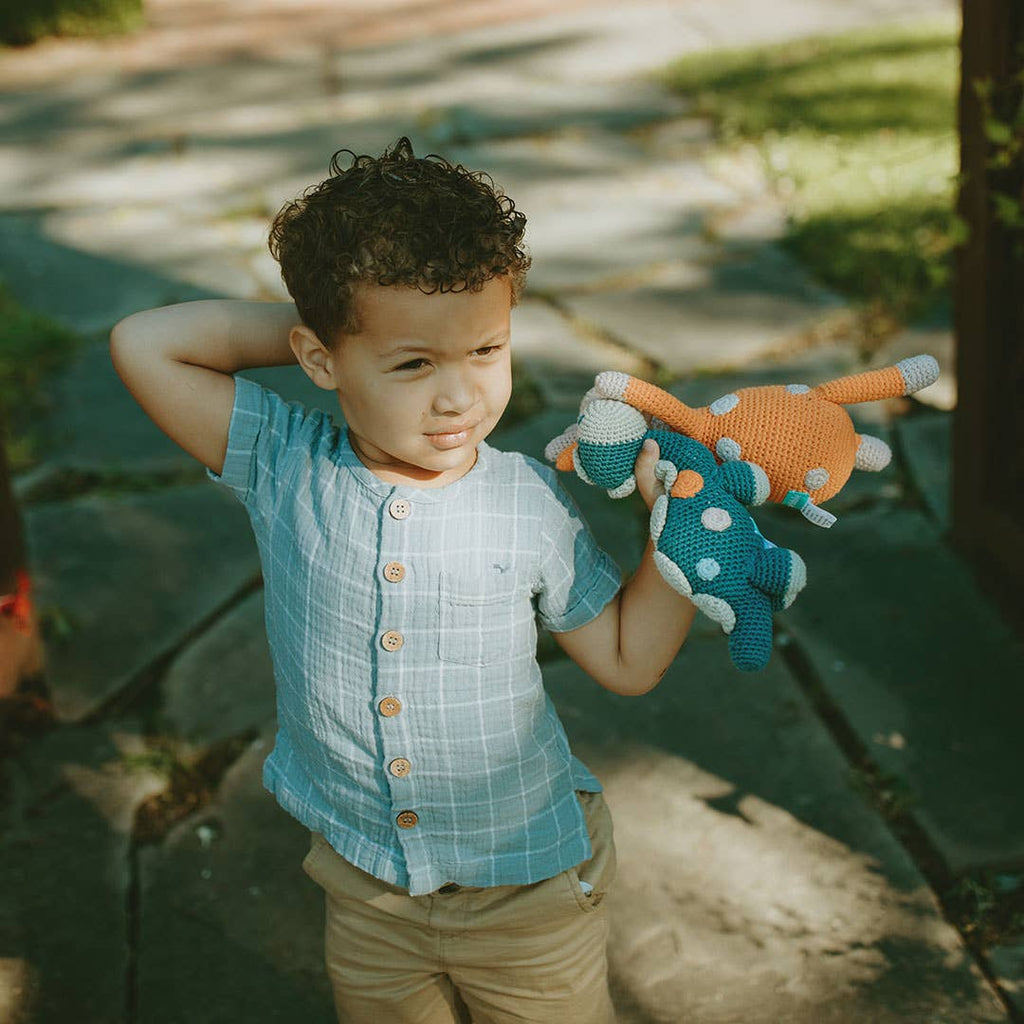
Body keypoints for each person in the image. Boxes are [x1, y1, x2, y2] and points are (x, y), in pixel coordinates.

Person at [109, 137, 696, 1024]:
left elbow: (626, 659)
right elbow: (145, 343)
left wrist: (680, 545)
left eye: (485, 350)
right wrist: (339, 326)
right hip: (365, 886)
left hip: (524, 894)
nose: (458, 396)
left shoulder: (525, 503)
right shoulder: (282, 461)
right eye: (413, 362)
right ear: (320, 358)